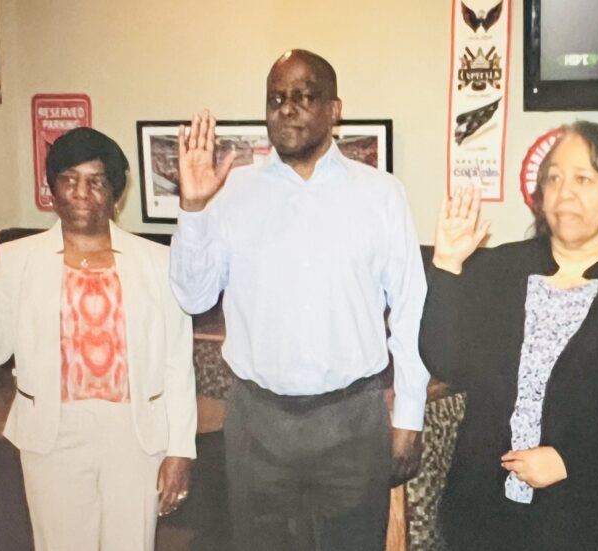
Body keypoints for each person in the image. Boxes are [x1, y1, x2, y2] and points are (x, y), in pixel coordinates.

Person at [169, 49, 429, 550]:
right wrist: (194, 209)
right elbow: (193, 294)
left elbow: (411, 310)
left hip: (353, 421)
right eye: (276, 98)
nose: (287, 108)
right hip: (256, 422)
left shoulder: (381, 195)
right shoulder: (231, 194)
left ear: (334, 109)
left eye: (304, 96)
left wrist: (409, 416)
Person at [420, 121, 598, 550]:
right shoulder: (500, 269)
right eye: (554, 178)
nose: (565, 192)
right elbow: (446, 361)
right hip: (490, 514)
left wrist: (573, 461)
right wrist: (448, 267)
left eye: (584, 178)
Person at [0, 127, 197, 550]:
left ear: (115, 193)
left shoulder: (157, 262)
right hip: (52, 431)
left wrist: (180, 449)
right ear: (52, 190)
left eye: (96, 180)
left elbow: (177, 361)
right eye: (69, 179)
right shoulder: (15, 259)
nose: (82, 191)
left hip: (134, 432)